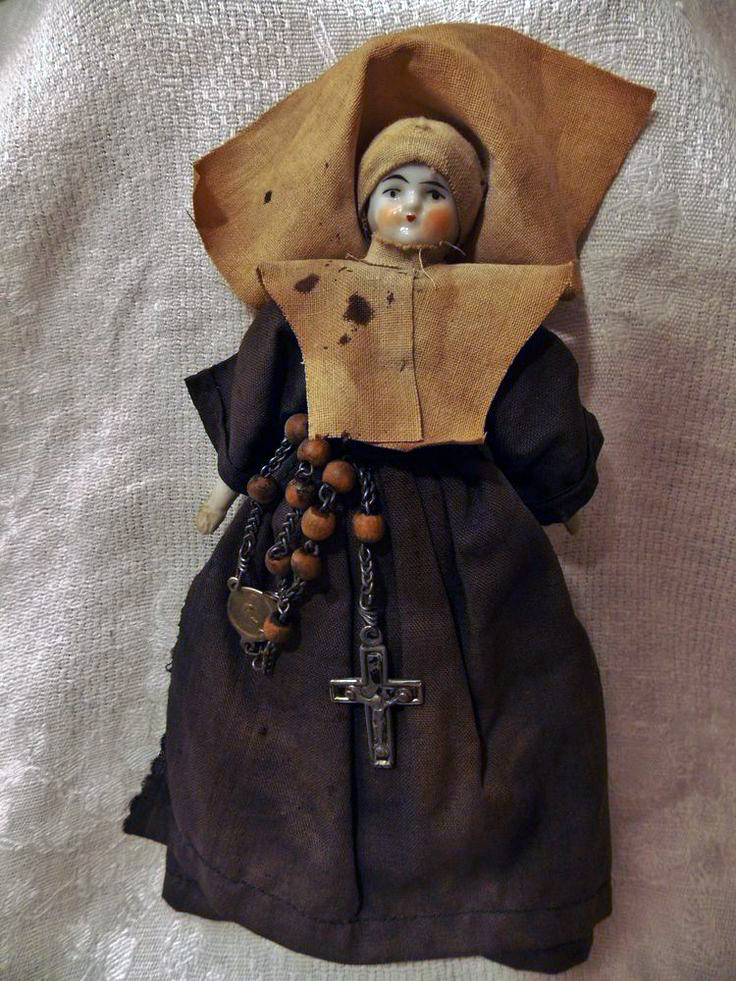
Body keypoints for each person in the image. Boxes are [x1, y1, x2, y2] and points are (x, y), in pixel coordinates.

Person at [123, 23, 655, 973]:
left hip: (468, 528)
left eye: (436, 190)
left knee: (508, 696)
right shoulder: (310, 294)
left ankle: (505, 899)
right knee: (264, 685)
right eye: (394, 186)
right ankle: (256, 868)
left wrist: (564, 489)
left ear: (464, 213)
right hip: (313, 511)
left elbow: (532, 404)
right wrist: (227, 480)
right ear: (365, 200)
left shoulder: (494, 312)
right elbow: (268, 380)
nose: (413, 204)